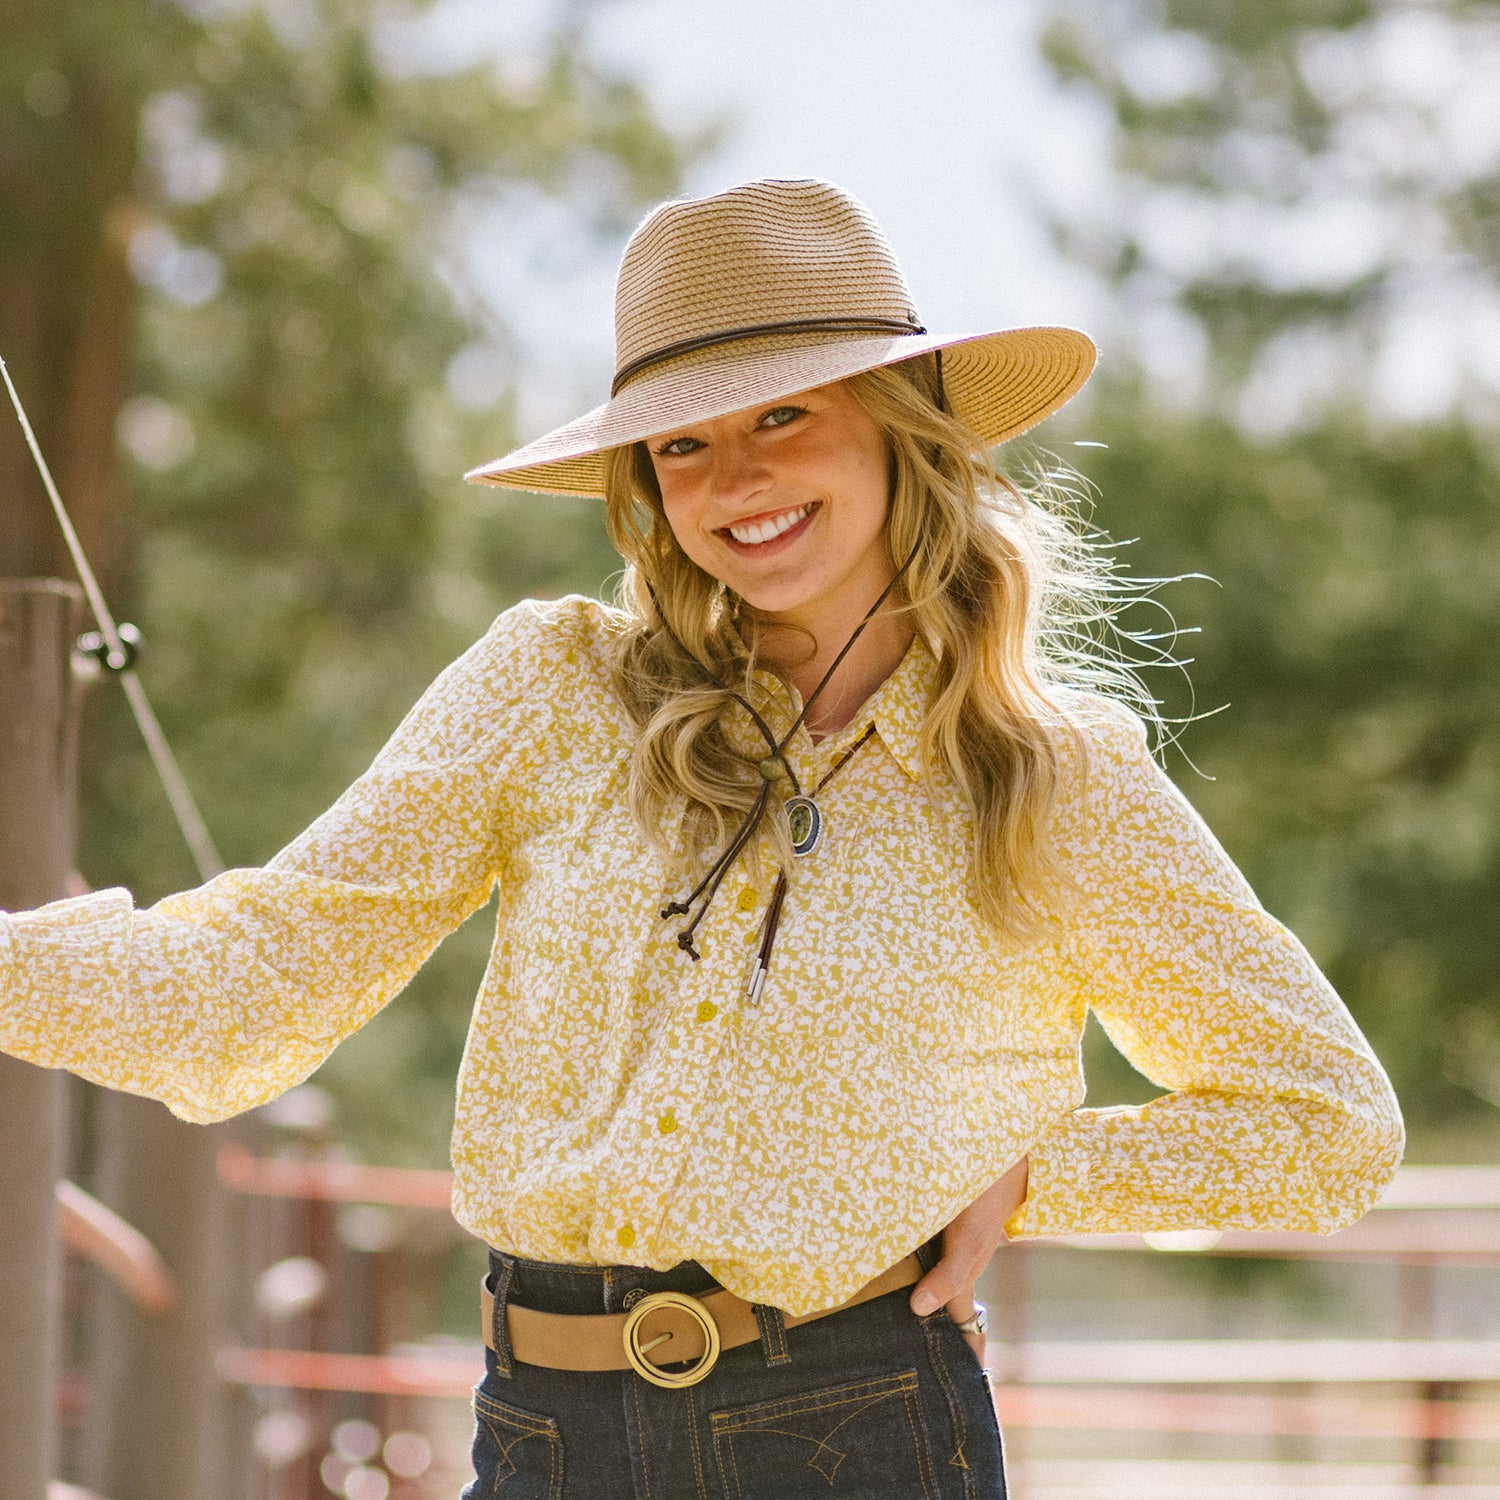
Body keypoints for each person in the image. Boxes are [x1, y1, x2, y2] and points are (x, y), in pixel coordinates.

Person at [1, 178, 1403, 1498]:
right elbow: (240, 994)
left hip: (861, 1424)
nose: (735, 479)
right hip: (544, 1432)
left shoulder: (1048, 777)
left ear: (900, 417)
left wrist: (1037, 1179)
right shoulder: (549, 689)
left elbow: (1328, 1123)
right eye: (683, 443)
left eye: (781, 417)